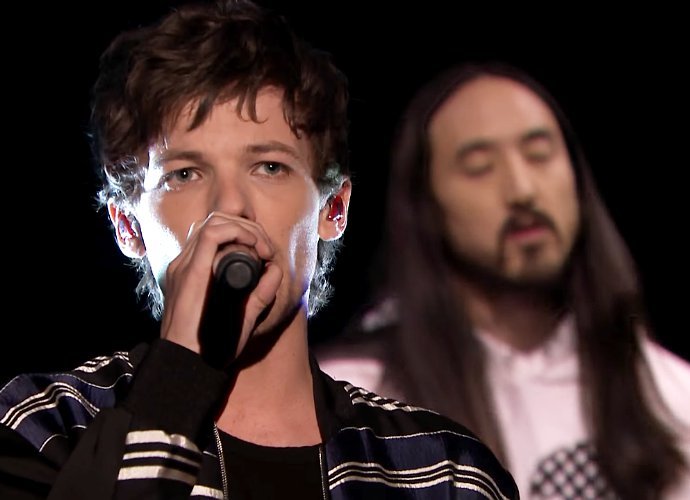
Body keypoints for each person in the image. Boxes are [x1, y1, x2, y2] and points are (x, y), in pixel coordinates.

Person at [0, 2, 518, 499]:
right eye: (184, 174)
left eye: (270, 167)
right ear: (127, 226)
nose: (231, 207)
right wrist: (179, 375)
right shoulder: (44, 428)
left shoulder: (446, 473)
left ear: (334, 209)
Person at [316, 62, 690, 499]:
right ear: (427, 205)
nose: (522, 190)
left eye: (539, 154)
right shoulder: (355, 410)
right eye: (479, 166)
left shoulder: (669, 395)